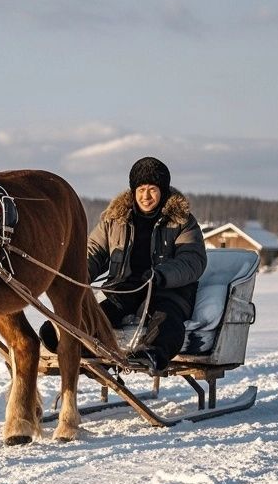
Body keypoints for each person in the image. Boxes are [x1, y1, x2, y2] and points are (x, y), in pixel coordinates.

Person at [84, 156, 207, 372]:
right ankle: (67, 340)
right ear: (133, 191)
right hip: (125, 287)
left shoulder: (182, 221)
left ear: (163, 190)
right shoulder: (114, 219)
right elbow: (94, 251)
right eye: (141, 189)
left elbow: (192, 260)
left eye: (152, 189)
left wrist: (160, 275)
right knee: (99, 315)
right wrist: (80, 274)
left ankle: (154, 354)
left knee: (165, 318)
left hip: (169, 290)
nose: (146, 196)